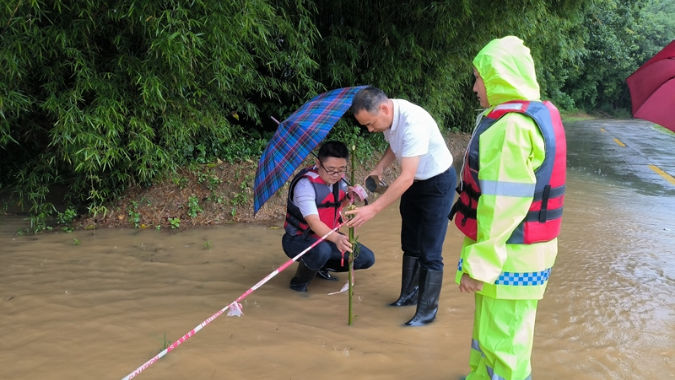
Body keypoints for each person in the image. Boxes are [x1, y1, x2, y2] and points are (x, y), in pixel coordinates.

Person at [450, 36, 567, 380]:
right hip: (517, 252)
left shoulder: (511, 127)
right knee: (490, 332)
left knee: (505, 343)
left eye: (478, 78)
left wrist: (479, 265)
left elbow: (504, 206)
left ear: (499, 78)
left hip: (508, 255)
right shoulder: (531, 115)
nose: (474, 88)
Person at [347, 86, 456, 326]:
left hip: (437, 185)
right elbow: (395, 146)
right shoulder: (388, 116)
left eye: (371, 124)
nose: (370, 129)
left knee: (430, 252)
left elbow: (405, 178)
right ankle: (407, 296)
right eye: (366, 126)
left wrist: (372, 209)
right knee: (410, 244)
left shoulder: (413, 122)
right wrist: (380, 167)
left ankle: (426, 314)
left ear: (384, 109)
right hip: (415, 183)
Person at [282, 141, 375, 292]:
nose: (336, 175)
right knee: (322, 251)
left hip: (327, 236)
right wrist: (337, 238)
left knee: (366, 258)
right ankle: (298, 284)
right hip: (299, 239)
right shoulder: (305, 185)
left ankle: (319, 268)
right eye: (331, 170)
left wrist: (349, 196)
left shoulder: (340, 180)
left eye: (340, 170)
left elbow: (338, 205)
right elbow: (313, 222)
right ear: (318, 163)